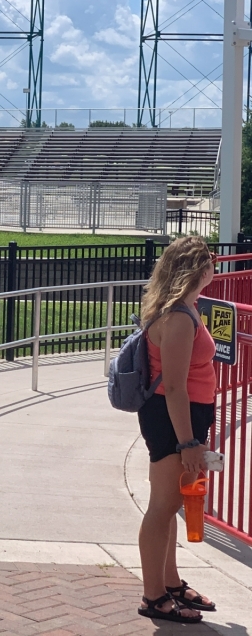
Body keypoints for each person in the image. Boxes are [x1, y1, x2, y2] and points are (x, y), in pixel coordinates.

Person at [136, 236, 218, 624]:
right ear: (197, 269)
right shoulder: (178, 318)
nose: (214, 268)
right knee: (163, 506)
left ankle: (169, 582)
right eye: (210, 262)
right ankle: (154, 596)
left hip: (184, 418)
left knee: (169, 505)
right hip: (172, 421)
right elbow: (174, 387)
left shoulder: (188, 308)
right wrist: (187, 442)